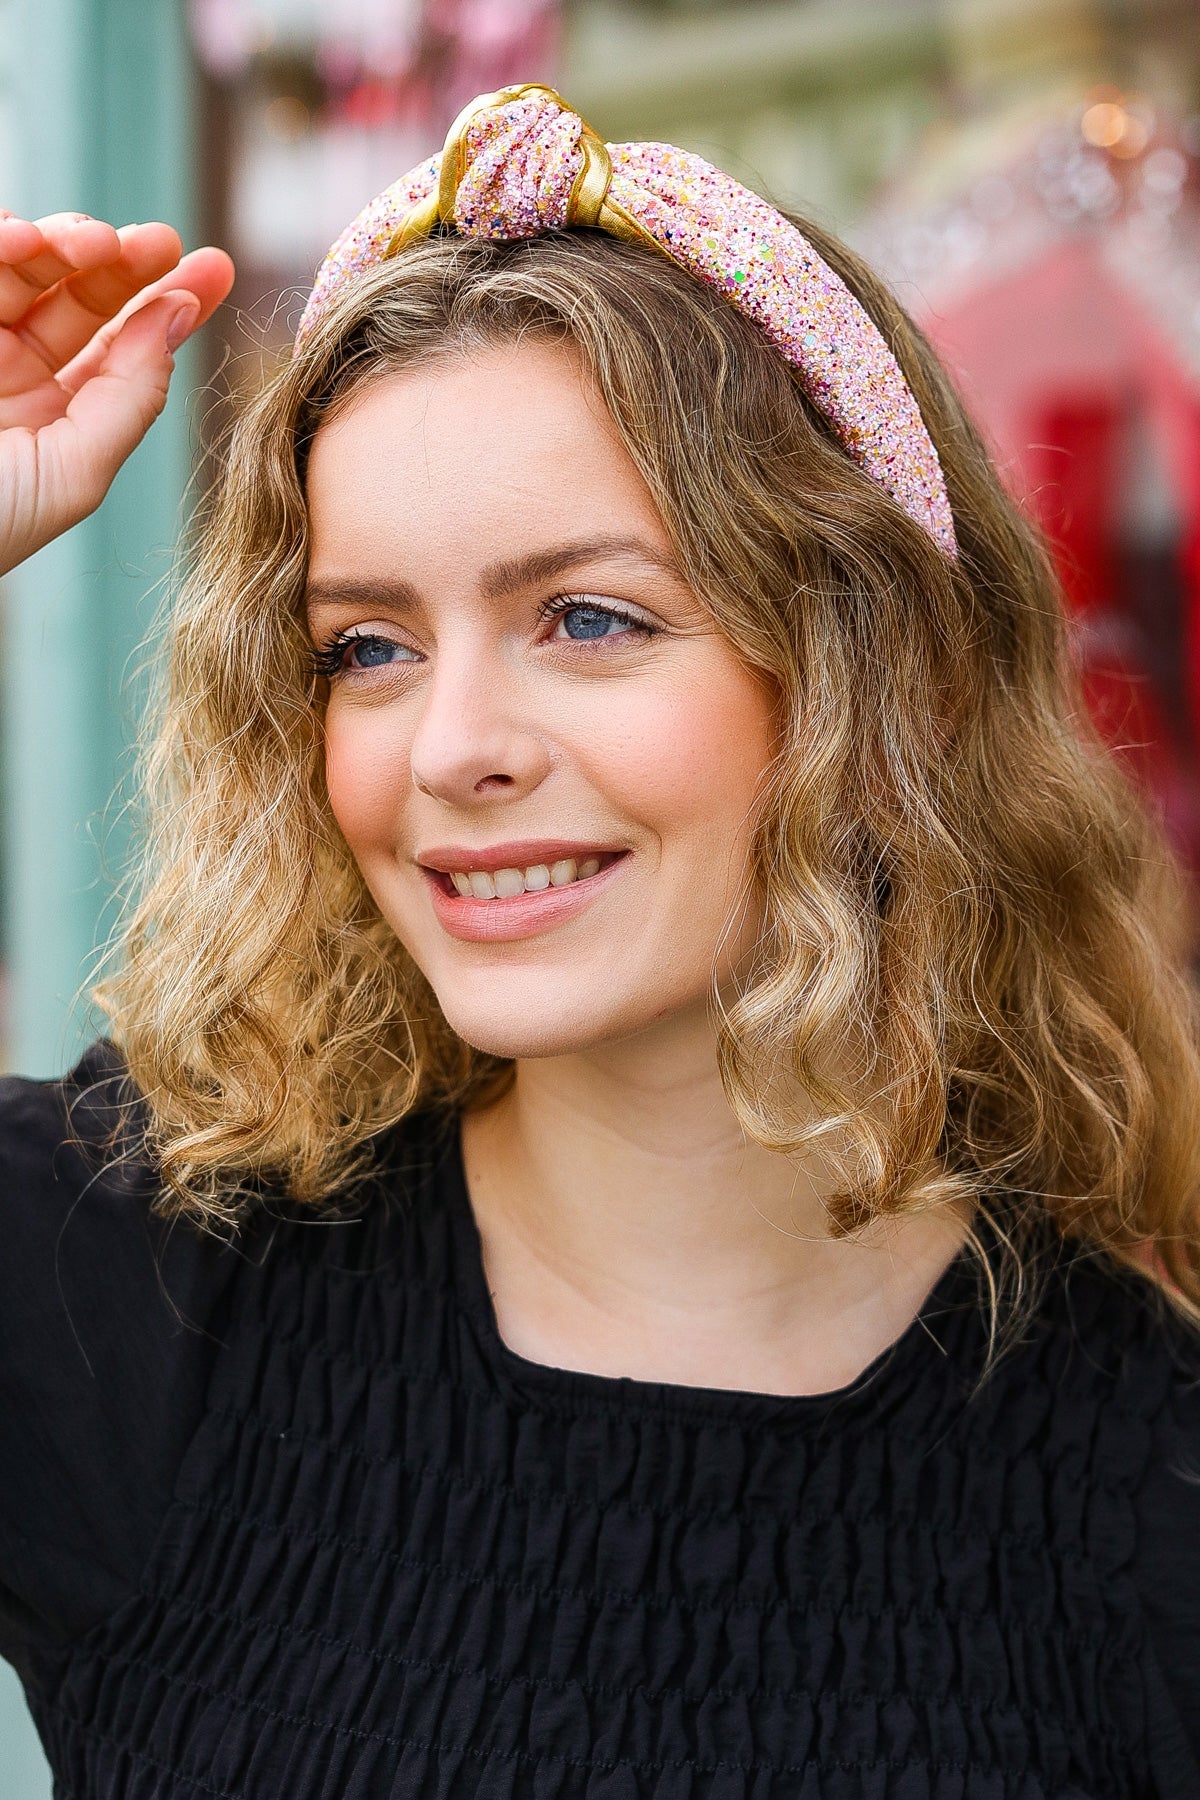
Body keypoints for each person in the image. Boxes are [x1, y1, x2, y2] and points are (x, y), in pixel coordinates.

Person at [1, 82, 1198, 1799]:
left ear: (883, 677)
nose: (449, 748)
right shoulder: (138, 1289)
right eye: (368, 647)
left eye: (588, 617)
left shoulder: (1149, 1497)